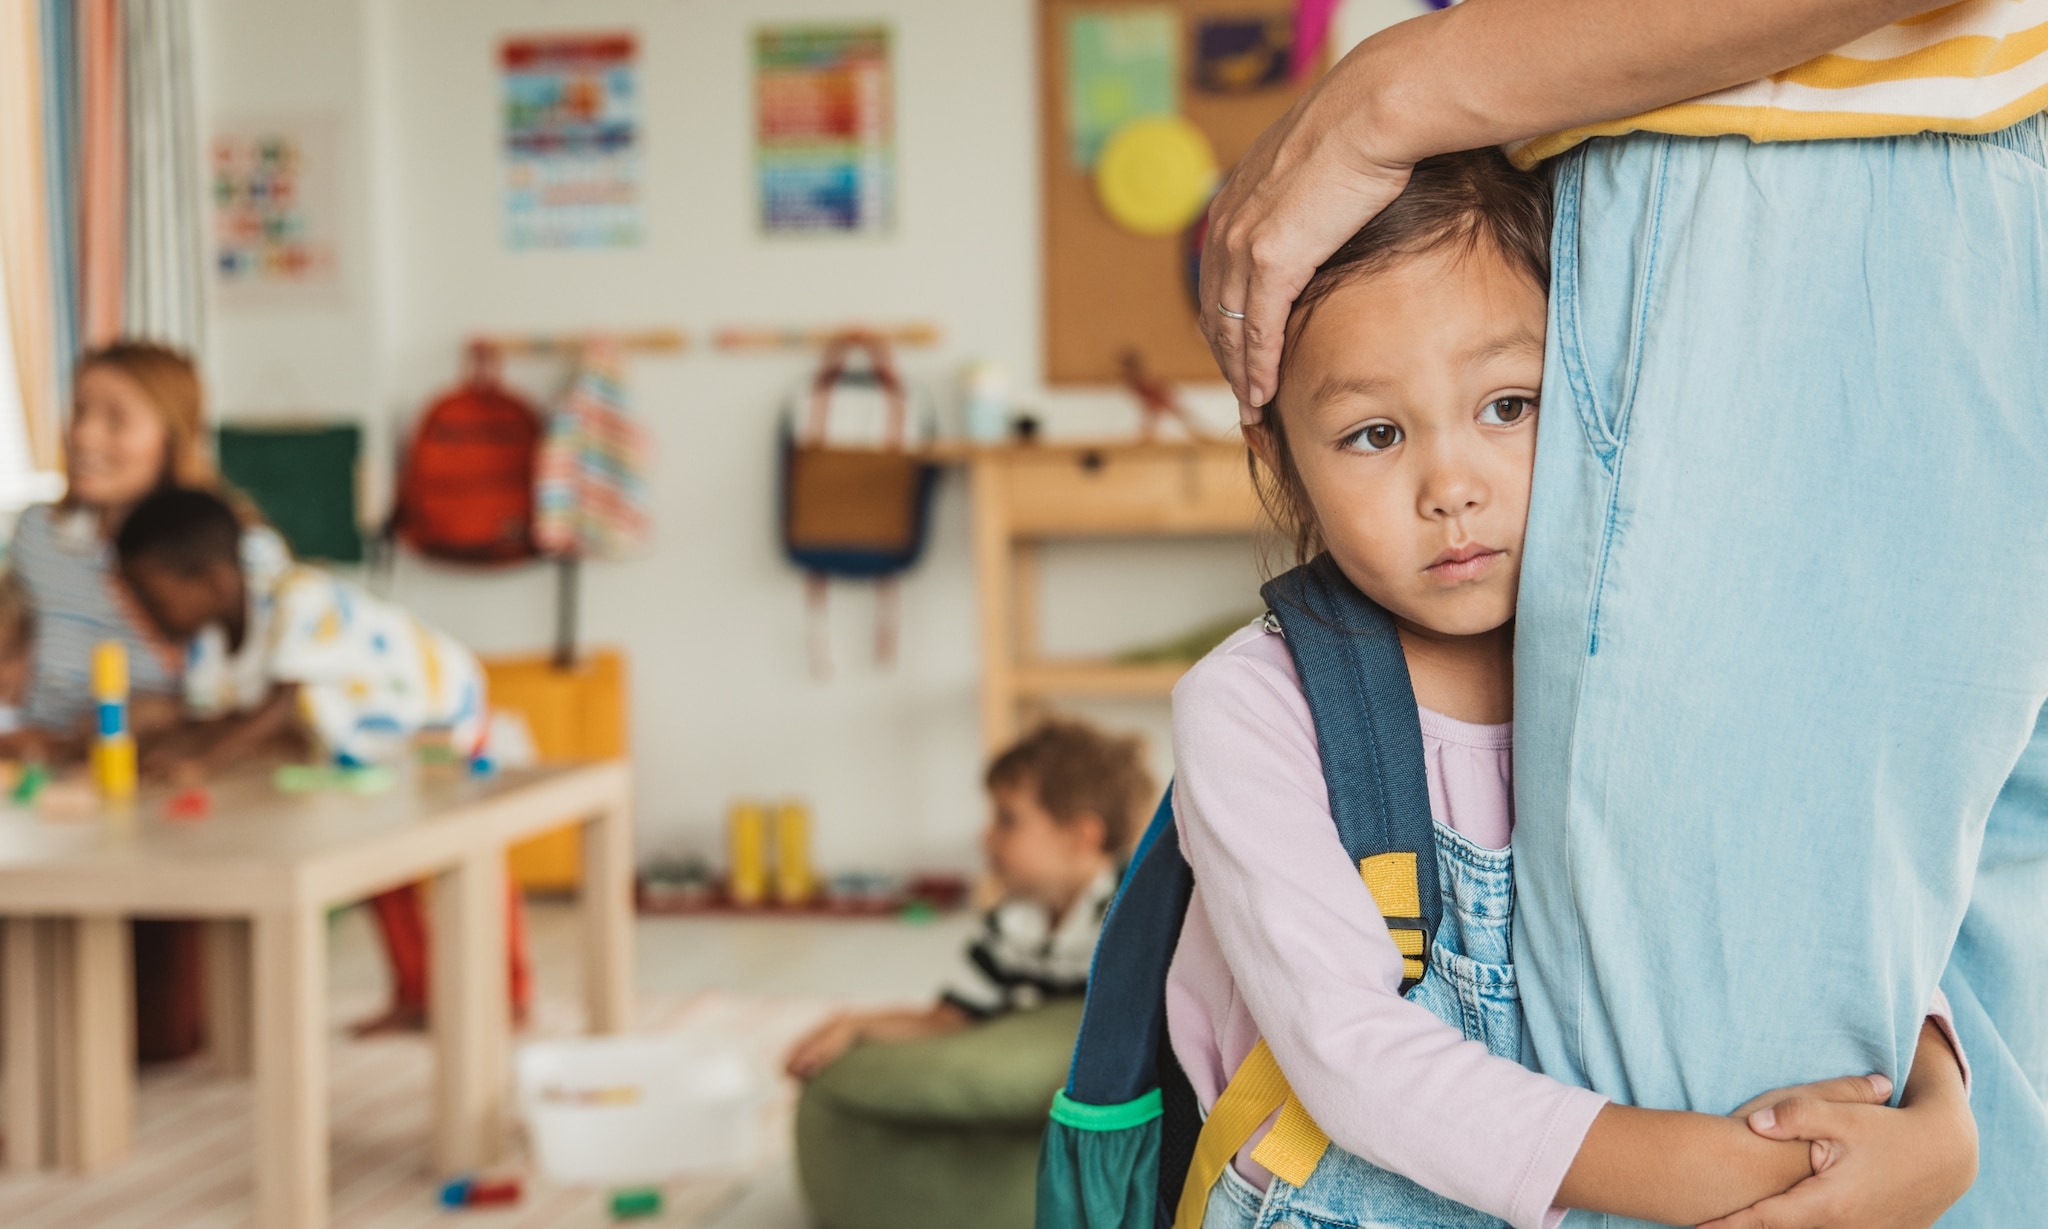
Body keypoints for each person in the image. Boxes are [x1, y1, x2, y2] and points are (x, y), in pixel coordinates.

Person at [1194, 4, 2047, 1223]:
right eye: (1374, 434)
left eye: (1508, 405)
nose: (1452, 485)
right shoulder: (1259, 702)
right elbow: (1347, 1053)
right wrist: (1687, 1174)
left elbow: (1863, 863)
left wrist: (1938, 1090)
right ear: (1278, 457)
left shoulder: (1622, 625)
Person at [113, 486, 528, 1030]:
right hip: (365, 751)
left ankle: (507, 992)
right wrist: (165, 747)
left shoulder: (298, 598)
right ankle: (417, 994)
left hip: (439, 711)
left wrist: (198, 764)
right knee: (388, 872)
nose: (147, 612)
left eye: (154, 595)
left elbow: (274, 711)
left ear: (212, 578)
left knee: (467, 853)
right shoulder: (209, 645)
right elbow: (215, 718)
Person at [786, 718, 1152, 1079]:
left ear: (1080, 837)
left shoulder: (1135, 913)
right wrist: (855, 1025)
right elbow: (950, 1018)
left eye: (1007, 820)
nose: (985, 837)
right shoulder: (1013, 922)